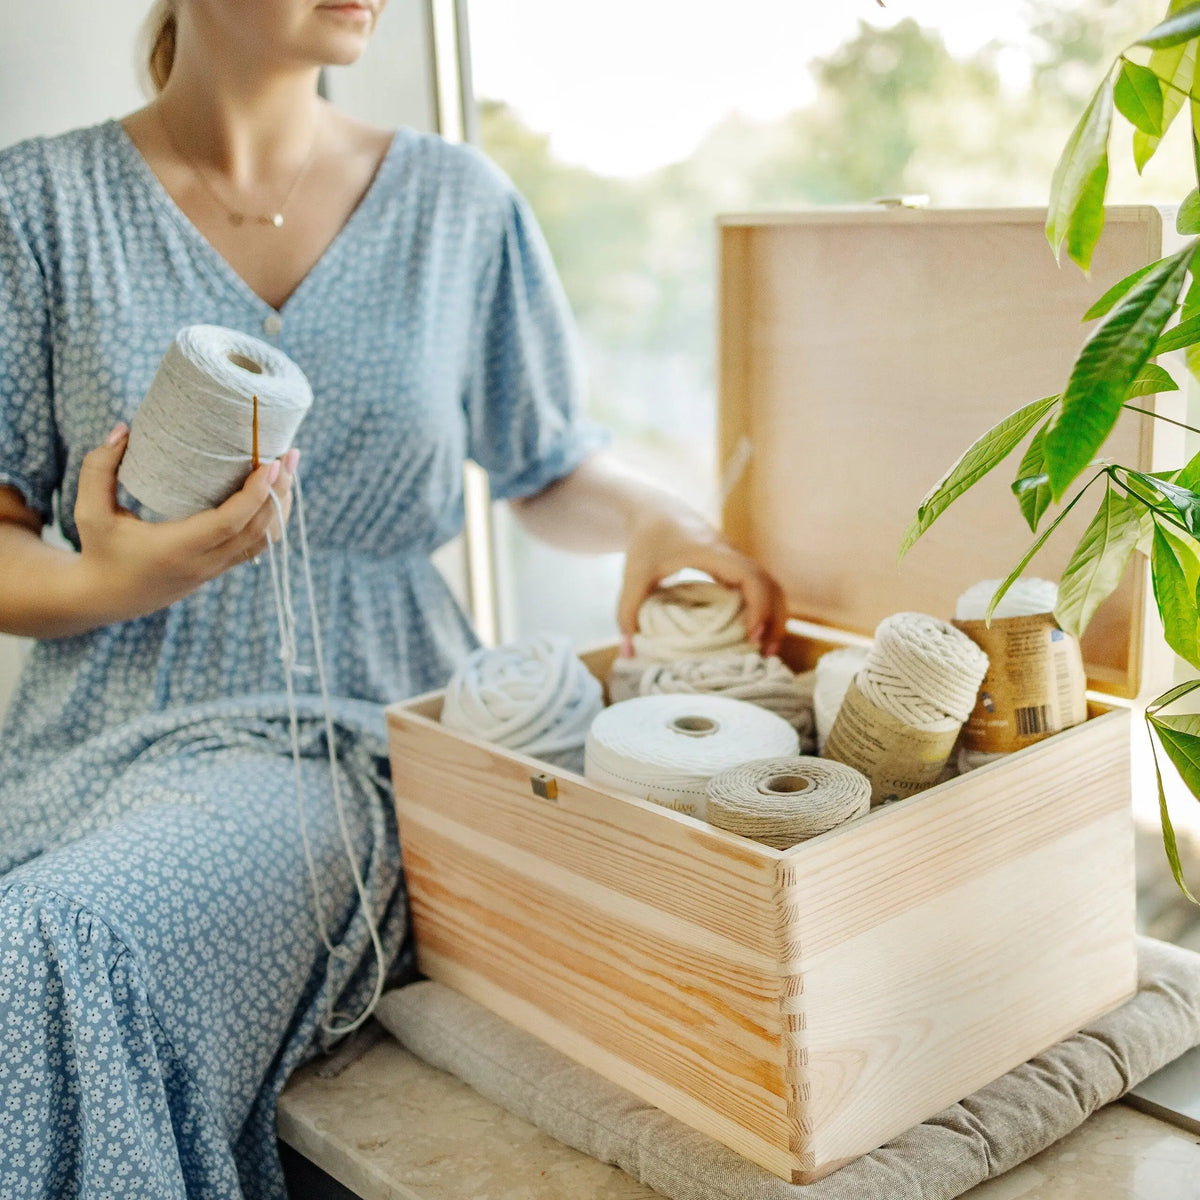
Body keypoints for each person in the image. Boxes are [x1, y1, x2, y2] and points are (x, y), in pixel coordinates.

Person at [0, 1, 787, 1196]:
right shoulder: (34, 206)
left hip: (353, 730)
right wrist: (112, 578)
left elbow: (548, 463)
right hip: (81, 740)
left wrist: (654, 517)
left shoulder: (458, 205)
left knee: (57, 939)